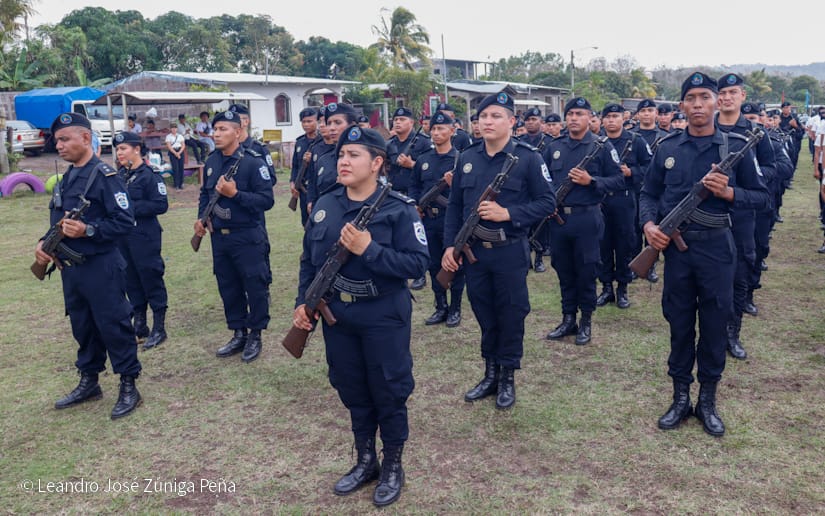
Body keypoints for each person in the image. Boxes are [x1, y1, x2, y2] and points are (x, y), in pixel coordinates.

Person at [293, 127, 428, 507]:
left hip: (383, 313)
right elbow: (310, 259)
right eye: (341, 155)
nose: (344, 161)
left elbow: (418, 263)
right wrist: (304, 302)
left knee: (389, 388)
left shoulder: (398, 208)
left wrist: (369, 250)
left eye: (353, 154)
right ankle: (366, 460)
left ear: (377, 163)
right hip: (338, 314)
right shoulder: (326, 203)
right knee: (352, 387)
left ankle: (393, 465)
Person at [641, 72, 769, 437]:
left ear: (718, 103)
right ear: (682, 105)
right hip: (677, 252)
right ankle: (680, 397)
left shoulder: (736, 147)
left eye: (705, 97)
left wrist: (730, 194)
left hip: (716, 248)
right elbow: (648, 194)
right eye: (691, 98)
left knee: (714, 324)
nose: (698, 104)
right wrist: (649, 225)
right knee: (679, 322)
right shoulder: (667, 148)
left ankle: (707, 400)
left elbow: (761, 196)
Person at [442, 90, 555, 410]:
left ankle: (507, 376)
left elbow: (548, 201)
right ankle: (490, 372)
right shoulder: (467, 158)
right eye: (482, 116)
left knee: (511, 314)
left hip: (508, 250)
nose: (487, 122)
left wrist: (509, 214)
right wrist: (451, 245)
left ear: (511, 121)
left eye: (495, 116)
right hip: (475, 254)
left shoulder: (528, 158)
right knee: (484, 313)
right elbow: (454, 207)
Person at [34, 112, 142, 420]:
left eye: (65, 139)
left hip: (100, 266)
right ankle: (89, 381)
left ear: (86, 138)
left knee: (114, 324)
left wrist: (89, 231)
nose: (59, 145)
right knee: (82, 325)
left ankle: (128, 383)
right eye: (57, 140)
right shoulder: (68, 176)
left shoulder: (105, 177)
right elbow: (59, 219)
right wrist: (44, 242)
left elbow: (125, 222)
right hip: (71, 268)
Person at [542, 97, 624, 345]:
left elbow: (619, 180)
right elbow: (541, 180)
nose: (574, 118)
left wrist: (592, 181)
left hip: (587, 217)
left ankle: (586, 320)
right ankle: (568, 318)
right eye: (570, 114)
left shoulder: (601, 146)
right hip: (558, 219)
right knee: (563, 269)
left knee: (587, 269)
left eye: (580, 113)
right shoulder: (554, 147)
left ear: (590, 117)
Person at [194, 110, 274, 363]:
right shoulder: (211, 162)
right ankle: (238, 332)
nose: (216, 134)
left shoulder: (252, 162)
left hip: (247, 235)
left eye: (223, 130)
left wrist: (235, 194)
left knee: (254, 285)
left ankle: (255, 334)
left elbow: (266, 200)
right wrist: (201, 218)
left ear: (238, 132)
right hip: (220, 238)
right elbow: (205, 195)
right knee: (228, 286)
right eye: (214, 130)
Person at [113, 131, 169, 350]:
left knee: (150, 278)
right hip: (123, 237)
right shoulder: (119, 176)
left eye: (123, 148)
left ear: (137, 149)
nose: (119, 153)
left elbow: (160, 204)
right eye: (117, 149)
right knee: (131, 280)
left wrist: (129, 209)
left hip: (144, 235)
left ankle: (159, 327)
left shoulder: (149, 175)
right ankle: (140, 324)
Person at [409, 111, 465, 327]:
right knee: (433, 264)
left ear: (452, 130)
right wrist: (414, 203)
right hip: (428, 221)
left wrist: (454, 186)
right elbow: (414, 186)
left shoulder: (461, 159)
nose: (436, 132)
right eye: (433, 129)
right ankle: (440, 306)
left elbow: (468, 192)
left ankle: (455, 308)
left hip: (452, 221)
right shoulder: (423, 159)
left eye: (442, 128)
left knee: (455, 264)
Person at [597, 103, 651, 309]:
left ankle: (622, 289)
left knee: (624, 244)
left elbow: (650, 167)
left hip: (625, 199)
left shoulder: (636, 141)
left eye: (615, 116)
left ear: (623, 118)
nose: (611, 120)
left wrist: (632, 173)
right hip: (601, 200)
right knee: (603, 244)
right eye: (607, 116)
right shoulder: (597, 143)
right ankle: (606, 288)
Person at [387, 106, 432, 291]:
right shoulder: (390, 144)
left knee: (417, 235)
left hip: (414, 194)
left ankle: (420, 274)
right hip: (394, 193)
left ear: (411, 123)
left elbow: (430, 170)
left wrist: (411, 164)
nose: (398, 122)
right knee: (395, 235)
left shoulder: (422, 143)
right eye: (396, 120)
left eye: (402, 120)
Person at [307, 103, 357, 213]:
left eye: (338, 122)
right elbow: (315, 186)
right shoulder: (324, 160)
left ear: (352, 125)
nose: (332, 128)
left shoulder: (364, 158)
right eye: (329, 123)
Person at [520, 107, 551, 273]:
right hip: (523, 191)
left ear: (541, 122)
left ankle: (539, 258)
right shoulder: (518, 141)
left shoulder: (550, 142)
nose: (531, 122)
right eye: (528, 120)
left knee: (540, 227)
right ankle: (525, 259)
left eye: (534, 119)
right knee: (524, 227)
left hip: (540, 190)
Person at [290, 108, 319, 226]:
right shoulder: (300, 142)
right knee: (305, 222)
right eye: (303, 122)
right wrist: (292, 181)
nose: (306, 125)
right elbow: (295, 165)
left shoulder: (322, 142)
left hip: (317, 189)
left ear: (316, 121)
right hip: (302, 189)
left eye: (309, 121)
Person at [165, 123, 186, 190]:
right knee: (175, 168)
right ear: (170, 129)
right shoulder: (168, 136)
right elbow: (169, 146)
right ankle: (176, 184)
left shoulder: (180, 136)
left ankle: (181, 183)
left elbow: (183, 145)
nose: (174, 129)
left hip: (180, 151)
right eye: (172, 128)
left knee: (181, 168)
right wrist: (175, 153)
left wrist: (179, 153)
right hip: (173, 151)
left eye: (175, 128)